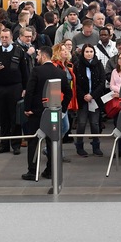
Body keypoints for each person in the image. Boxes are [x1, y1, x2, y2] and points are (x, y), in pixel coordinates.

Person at [21, 46, 72, 181]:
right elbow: (69, 93)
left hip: (36, 112)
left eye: (38, 55)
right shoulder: (60, 73)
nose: (36, 58)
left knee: (33, 141)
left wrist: (27, 108)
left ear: (43, 56)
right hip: (53, 112)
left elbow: (30, 91)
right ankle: (50, 170)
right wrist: (63, 108)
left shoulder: (36, 71)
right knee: (51, 140)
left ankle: (32, 171)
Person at [0, 28, 29, 155]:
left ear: (11, 38)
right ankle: (3, 144)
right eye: (2, 37)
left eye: (6, 37)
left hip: (15, 87)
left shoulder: (18, 51)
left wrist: (25, 88)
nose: (4, 40)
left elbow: (25, 71)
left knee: (15, 117)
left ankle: (16, 145)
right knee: (2, 117)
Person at [73, 43, 106, 157]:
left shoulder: (99, 64)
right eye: (86, 51)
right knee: (81, 123)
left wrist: (92, 95)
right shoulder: (77, 65)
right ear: (83, 53)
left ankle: (96, 146)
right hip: (83, 99)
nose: (89, 54)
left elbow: (102, 82)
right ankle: (79, 146)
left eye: (91, 51)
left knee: (95, 123)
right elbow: (75, 83)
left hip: (95, 99)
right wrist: (84, 95)